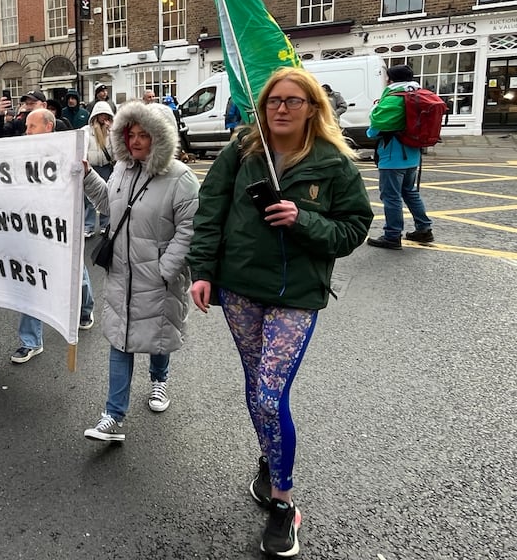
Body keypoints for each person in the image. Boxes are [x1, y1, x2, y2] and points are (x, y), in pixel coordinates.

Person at [186, 67, 373, 558]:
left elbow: (353, 229)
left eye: (293, 101)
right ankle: (271, 459)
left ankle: (284, 503)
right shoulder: (243, 151)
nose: (282, 108)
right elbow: (210, 210)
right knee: (255, 385)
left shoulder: (333, 163)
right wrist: (202, 271)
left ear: (313, 107)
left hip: (296, 295)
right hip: (241, 289)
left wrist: (302, 218)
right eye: (273, 101)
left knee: (270, 395)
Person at [81, 101, 199, 441]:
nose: (134, 141)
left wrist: (167, 269)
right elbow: (109, 206)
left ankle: (159, 381)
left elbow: (190, 229)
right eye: (130, 133)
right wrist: (89, 175)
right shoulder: (122, 169)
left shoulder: (181, 178)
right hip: (122, 272)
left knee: (157, 336)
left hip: (158, 276)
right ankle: (113, 416)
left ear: (160, 137)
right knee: (121, 340)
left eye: (143, 134)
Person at [11, 108, 96, 363]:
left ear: (48, 127)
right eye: (26, 126)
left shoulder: (68, 152)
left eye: (31, 126)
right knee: (31, 281)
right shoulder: (22, 153)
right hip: (32, 227)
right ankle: (31, 341)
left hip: (62, 227)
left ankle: (84, 310)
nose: (27, 131)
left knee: (75, 275)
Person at [366, 64, 434, 249]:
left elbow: (374, 130)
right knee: (410, 192)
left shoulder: (393, 99)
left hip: (392, 156)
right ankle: (424, 229)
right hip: (413, 154)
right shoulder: (418, 94)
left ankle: (392, 235)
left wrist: (374, 113)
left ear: (391, 79)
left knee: (391, 197)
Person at [83, 101, 114, 238]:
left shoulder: (112, 131)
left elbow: (117, 149)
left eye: (106, 115)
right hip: (92, 167)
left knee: (106, 196)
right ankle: (88, 226)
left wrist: (113, 131)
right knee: (89, 199)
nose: (103, 117)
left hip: (106, 167)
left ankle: (105, 224)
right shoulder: (86, 131)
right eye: (100, 114)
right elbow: (82, 147)